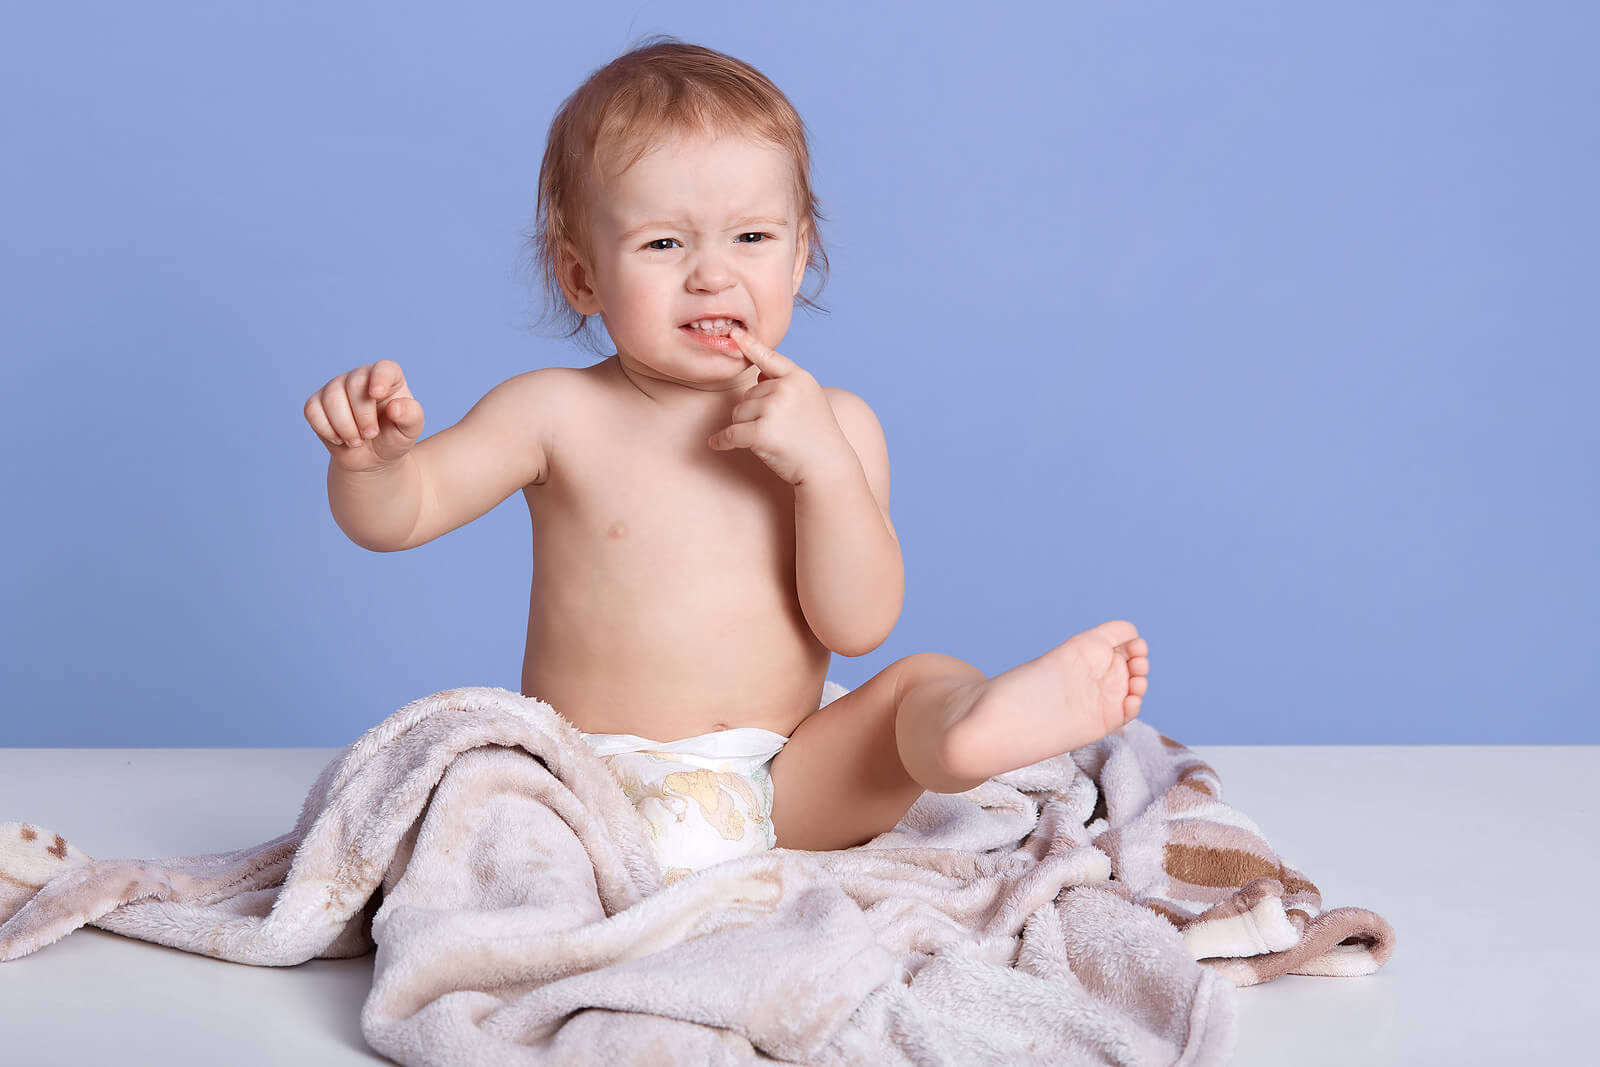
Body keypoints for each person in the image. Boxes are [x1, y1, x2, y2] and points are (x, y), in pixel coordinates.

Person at [302, 36, 1149, 884]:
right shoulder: (552, 411)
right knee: (489, 797)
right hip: (589, 792)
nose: (713, 274)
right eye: (664, 245)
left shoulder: (838, 426)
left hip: (785, 790)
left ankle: (969, 731)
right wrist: (372, 468)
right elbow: (403, 515)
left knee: (915, 685)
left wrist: (823, 469)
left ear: (799, 251)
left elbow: (857, 625)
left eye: (750, 235)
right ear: (582, 277)